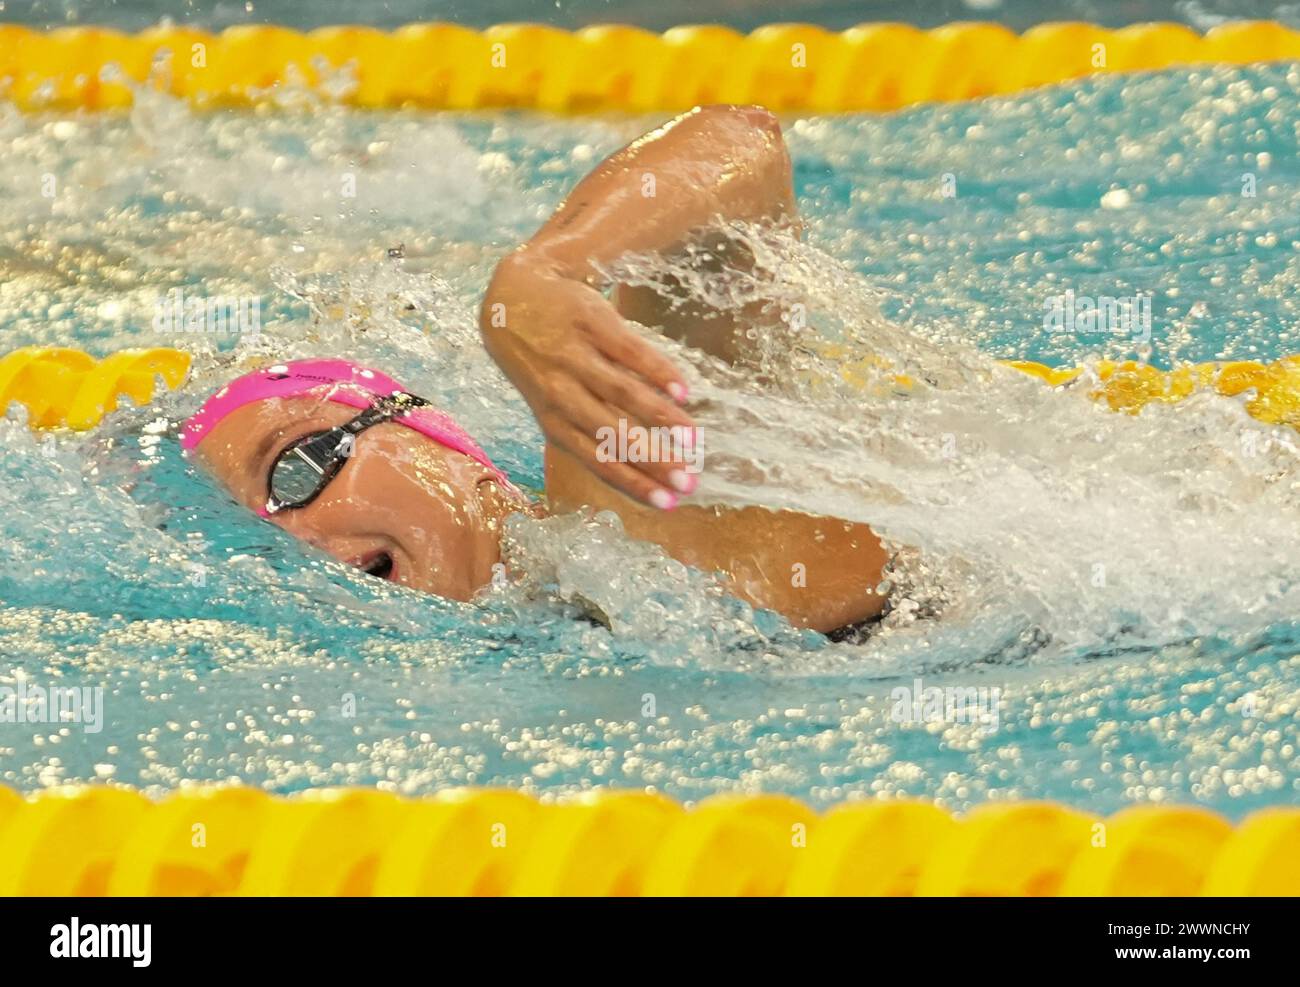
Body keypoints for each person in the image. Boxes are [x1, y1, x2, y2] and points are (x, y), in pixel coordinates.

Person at [185, 105, 889, 634]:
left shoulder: (631, 498)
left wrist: (546, 271)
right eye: (258, 541)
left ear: (436, 435)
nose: (296, 541)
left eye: (295, 467)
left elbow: (740, 141)